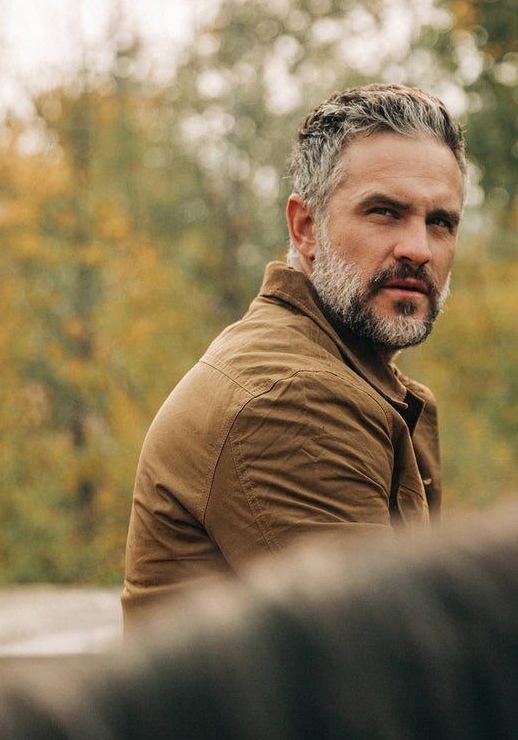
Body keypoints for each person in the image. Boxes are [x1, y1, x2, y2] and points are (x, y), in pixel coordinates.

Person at [121, 83, 466, 629]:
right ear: (306, 228)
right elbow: (391, 662)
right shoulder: (293, 396)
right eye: (384, 212)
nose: (418, 249)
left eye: (440, 222)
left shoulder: (355, 378)